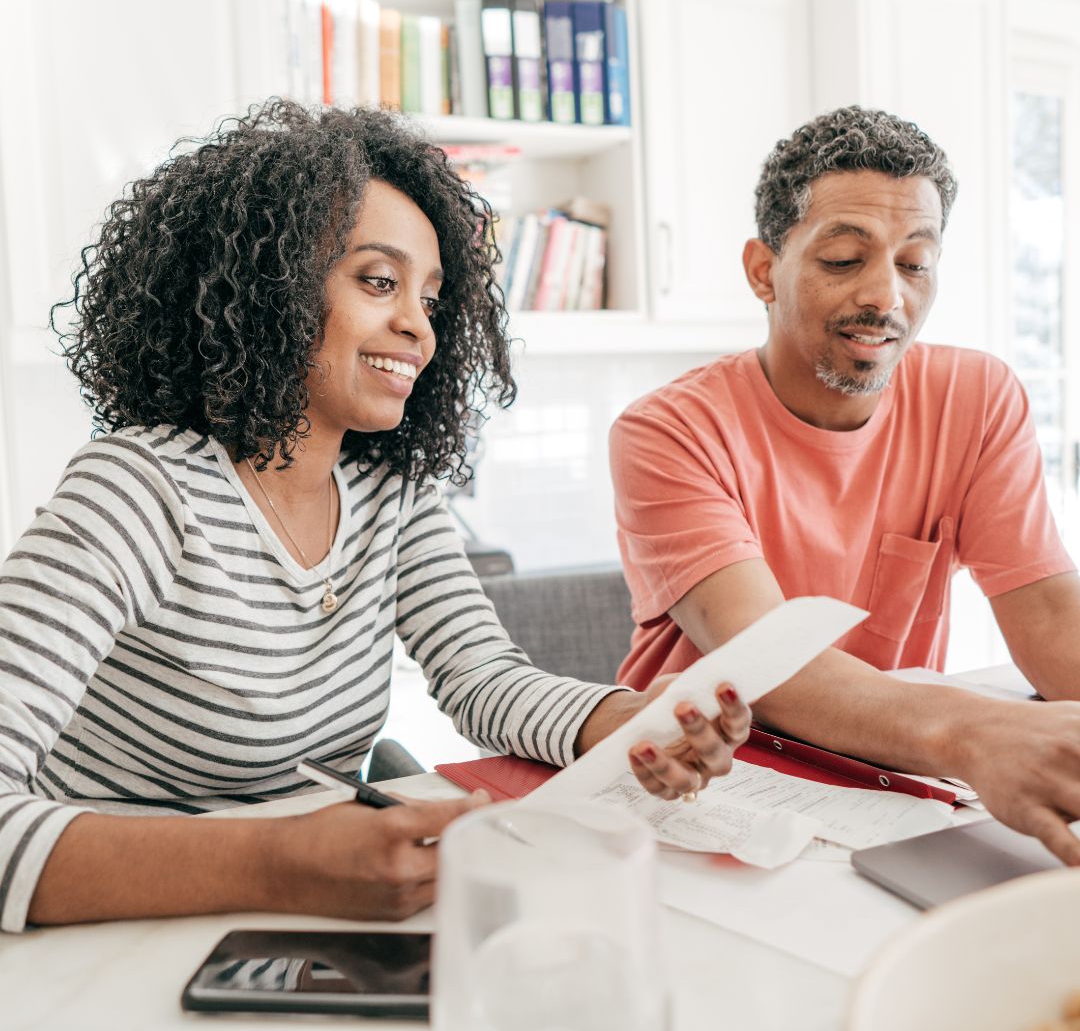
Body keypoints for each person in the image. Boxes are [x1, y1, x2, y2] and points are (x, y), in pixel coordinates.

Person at [0, 99, 750, 934]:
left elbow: (481, 679)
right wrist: (278, 862)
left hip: (282, 927)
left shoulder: (391, 491)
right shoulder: (139, 490)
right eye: (378, 280)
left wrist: (630, 722)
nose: (416, 329)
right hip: (104, 934)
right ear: (266, 286)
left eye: (429, 299)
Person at [610, 105, 1080, 864]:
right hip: (701, 789)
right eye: (843, 260)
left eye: (915, 263)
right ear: (764, 270)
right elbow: (769, 666)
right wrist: (977, 732)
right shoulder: (666, 430)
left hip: (881, 784)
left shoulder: (978, 396)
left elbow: (1051, 618)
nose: (886, 297)